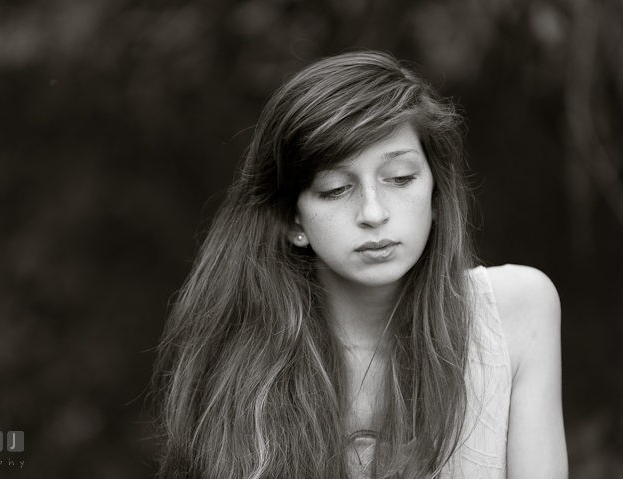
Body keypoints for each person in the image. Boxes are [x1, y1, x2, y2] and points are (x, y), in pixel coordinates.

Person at [152, 50, 568, 478]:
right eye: (335, 189)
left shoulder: (514, 312)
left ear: (436, 193)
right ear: (293, 220)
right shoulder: (240, 363)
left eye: (400, 178)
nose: (373, 212)